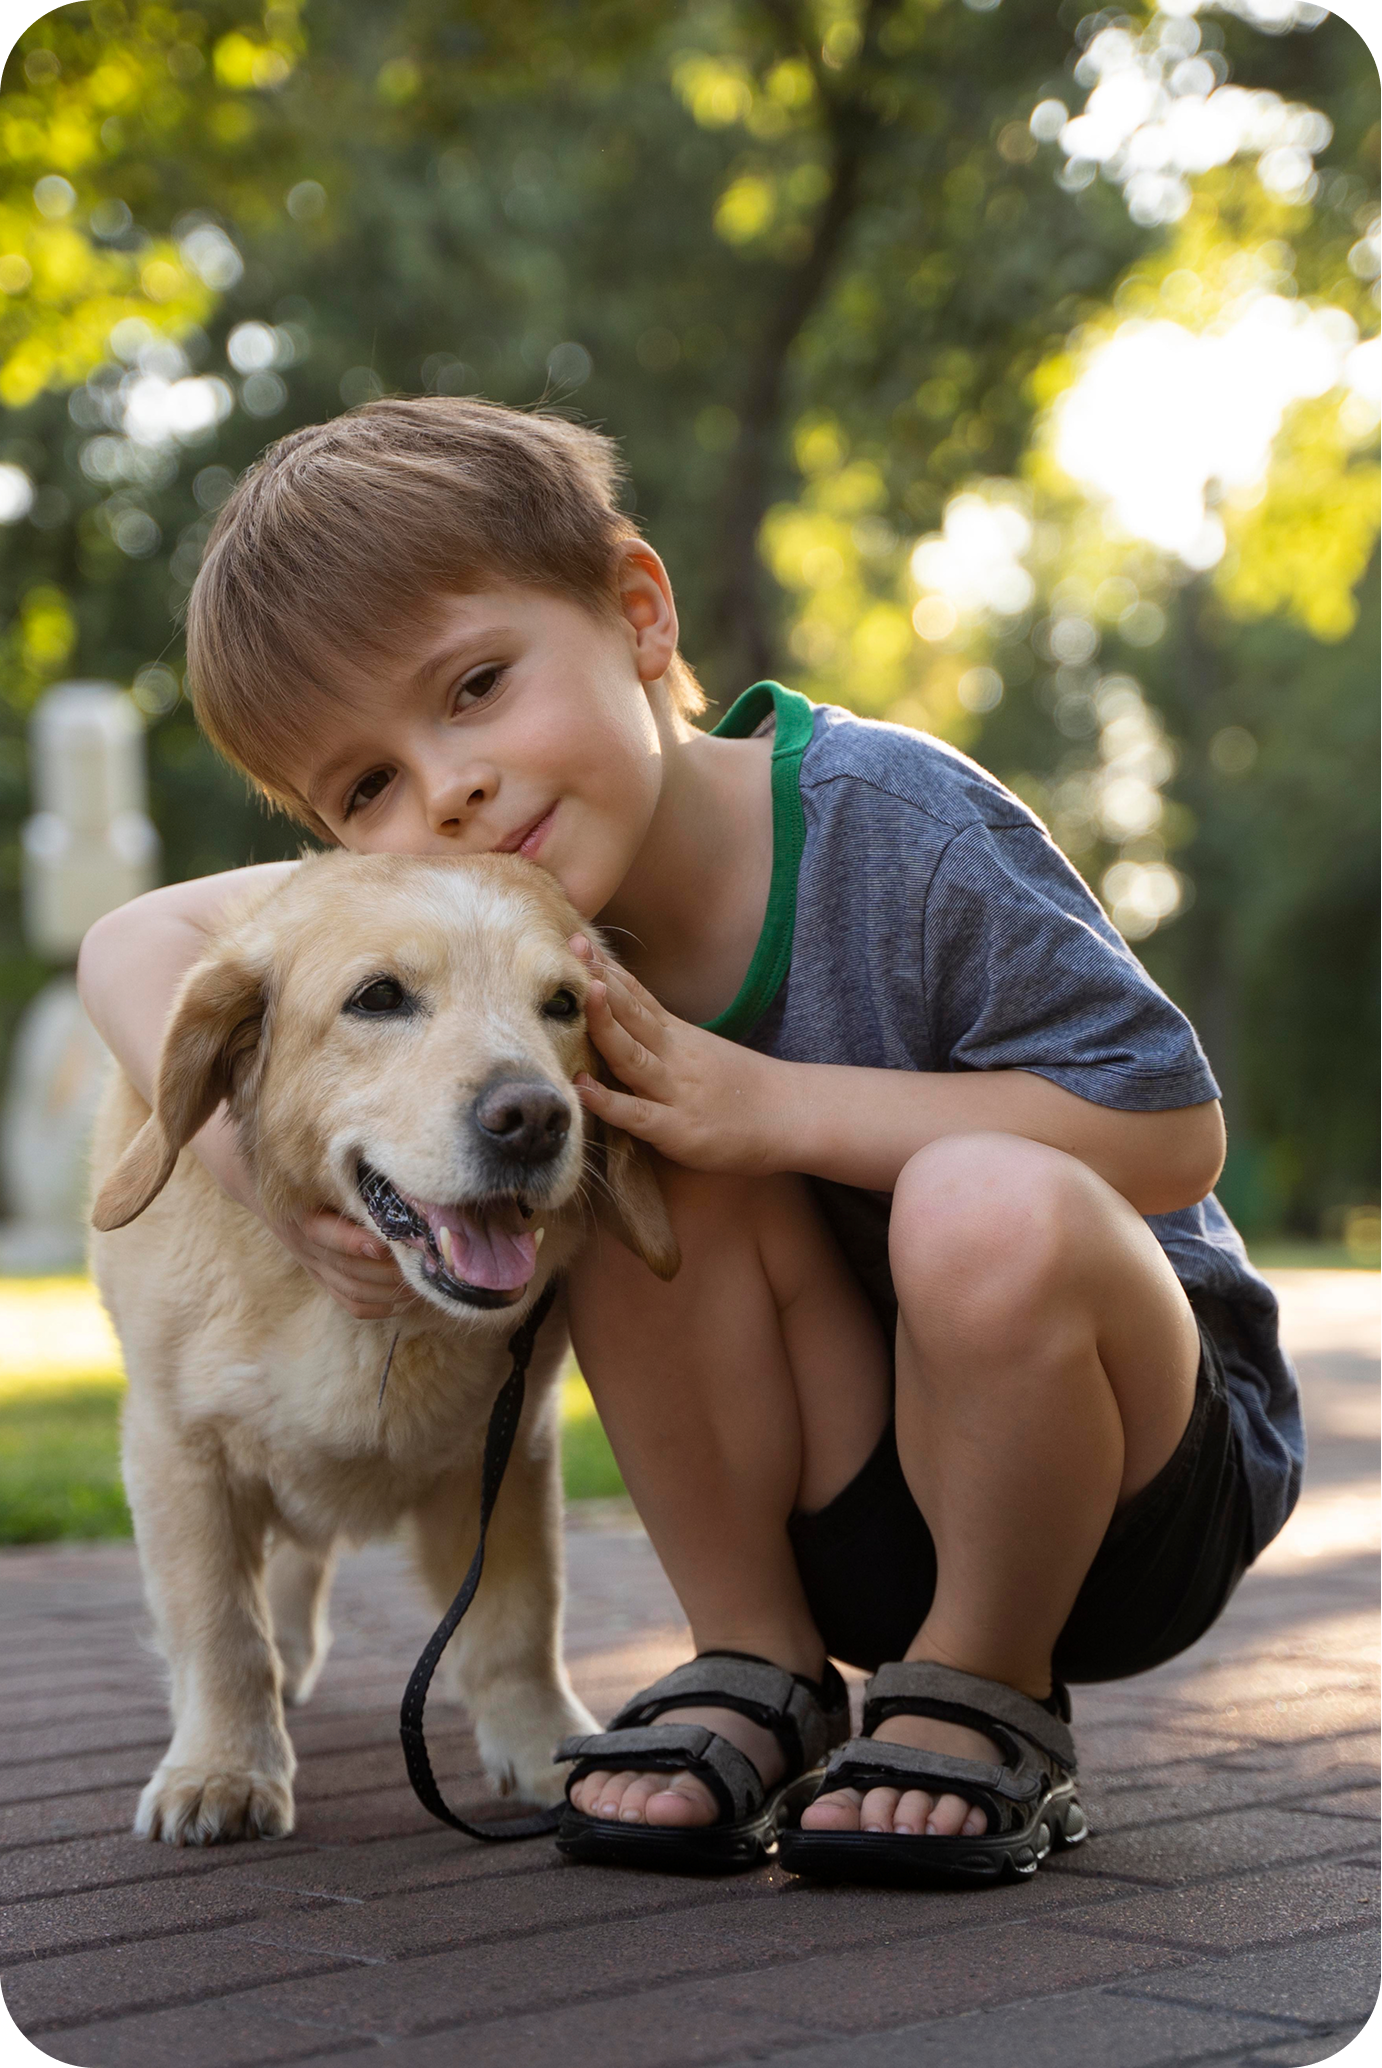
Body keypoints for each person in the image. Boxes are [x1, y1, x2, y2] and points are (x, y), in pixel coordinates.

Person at [78, 397, 1301, 1886]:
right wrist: (259, 1190)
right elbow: (135, 940)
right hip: (848, 1497)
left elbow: (1171, 1131)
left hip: (1130, 1486)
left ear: (638, 614)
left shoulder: (895, 822)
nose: (442, 789)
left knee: (974, 1201)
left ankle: (984, 1691)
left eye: (472, 687)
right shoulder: (496, 926)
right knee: (624, 1160)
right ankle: (758, 1662)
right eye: (364, 789)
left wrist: (771, 1103)